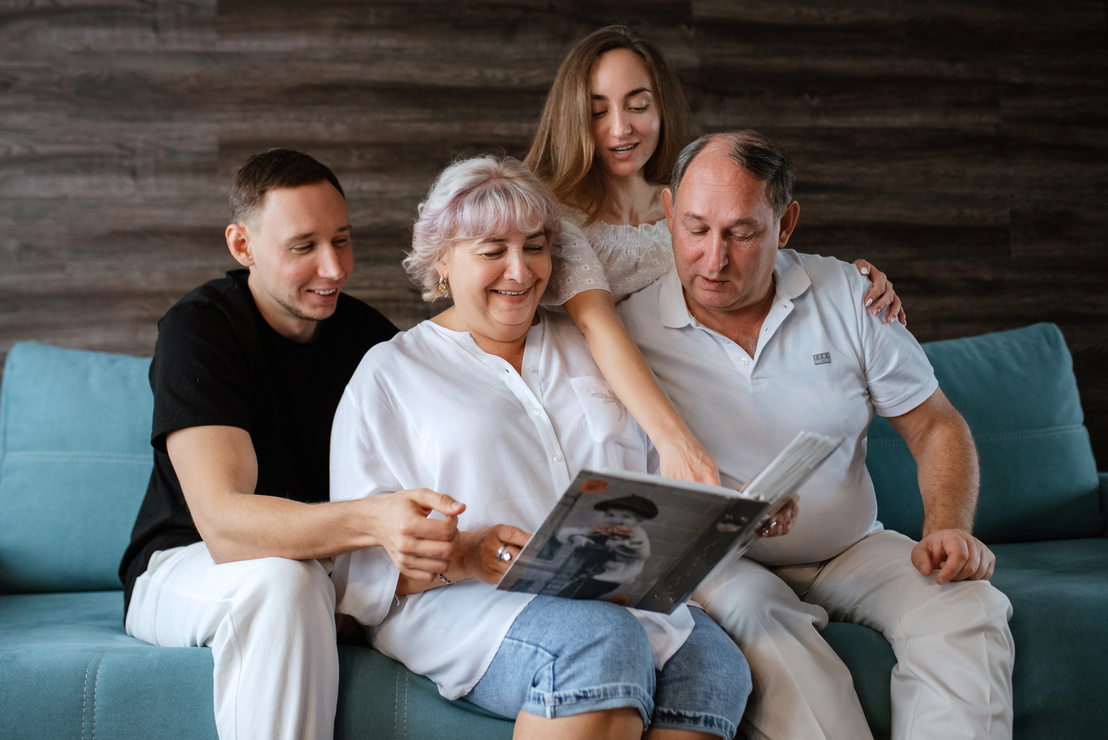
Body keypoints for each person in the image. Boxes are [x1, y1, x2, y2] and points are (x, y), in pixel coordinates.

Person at [329, 154, 752, 740]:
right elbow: (360, 568)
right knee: (598, 641)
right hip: (465, 604)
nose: (521, 271)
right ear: (441, 261)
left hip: (608, 594)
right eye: (492, 250)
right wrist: (462, 553)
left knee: (714, 664)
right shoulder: (391, 373)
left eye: (534, 246)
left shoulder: (590, 348)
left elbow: (653, 481)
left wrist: (736, 507)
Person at [618, 130, 1016, 740]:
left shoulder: (852, 297)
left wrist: (948, 527)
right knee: (757, 614)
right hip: (723, 565)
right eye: (695, 229)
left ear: (786, 224)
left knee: (969, 605)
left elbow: (937, 425)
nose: (714, 259)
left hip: (852, 546)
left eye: (742, 232)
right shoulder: (627, 331)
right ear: (668, 212)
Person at [118, 149, 467, 740]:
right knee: (284, 580)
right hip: (184, 562)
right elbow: (225, 526)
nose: (333, 268)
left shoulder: (369, 339)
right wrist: (374, 522)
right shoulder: (199, 330)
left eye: (342, 240)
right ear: (242, 246)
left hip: (327, 565)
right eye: (303, 247)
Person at [524, 25, 906, 486]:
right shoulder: (553, 216)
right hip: (586, 404)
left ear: (662, 106)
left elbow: (759, 249)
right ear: (572, 118)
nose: (620, 128)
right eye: (597, 111)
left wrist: (855, 281)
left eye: (638, 105)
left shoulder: (693, 202)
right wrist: (674, 441)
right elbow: (595, 323)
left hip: (687, 396)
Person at [553, 494, 658, 599]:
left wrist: (616, 545)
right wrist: (575, 537)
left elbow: (642, 553)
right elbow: (573, 532)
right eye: (611, 515)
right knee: (567, 591)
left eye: (626, 517)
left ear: (639, 520)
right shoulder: (603, 529)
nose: (616, 520)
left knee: (575, 596)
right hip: (586, 570)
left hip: (610, 576)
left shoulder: (637, 535)